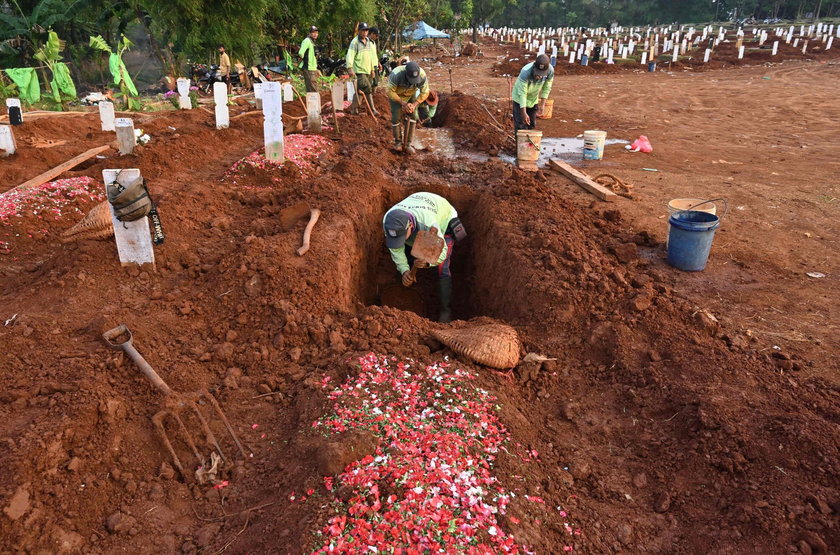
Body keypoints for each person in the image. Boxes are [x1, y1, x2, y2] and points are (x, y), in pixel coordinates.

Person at [382, 192, 466, 323]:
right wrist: (404, 271)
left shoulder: (429, 225)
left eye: (402, 237)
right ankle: (409, 281)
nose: (400, 240)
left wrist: (427, 263)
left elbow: (442, 253)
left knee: (441, 268)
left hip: (444, 216)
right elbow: (397, 250)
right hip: (418, 210)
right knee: (409, 256)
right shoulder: (389, 221)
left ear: (410, 225)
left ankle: (445, 310)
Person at [386, 61, 429, 154]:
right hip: (397, 96)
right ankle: (398, 143)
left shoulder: (422, 75)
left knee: (414, 116)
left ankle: (408, 144)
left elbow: (425, 92)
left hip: (411, 94)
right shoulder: (396, 74)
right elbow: (389, 91)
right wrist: (403, 103)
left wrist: (414, 104)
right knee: (396, 117)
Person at [345, 22, 381, 115]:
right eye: (363, 30)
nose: (365, 32)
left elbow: (372, 56)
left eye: (366, 30)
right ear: (359, 31)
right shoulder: (355, 42)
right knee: (367, 88)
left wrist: (373, 69)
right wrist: (349, 68)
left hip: (368, 70)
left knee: (360, 91)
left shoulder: (369, 42)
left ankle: (353, 109)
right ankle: (372, 110)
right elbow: (350, 55)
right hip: (359, 70)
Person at [511, 53, 553, 131]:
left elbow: (547, 88)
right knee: (520, 126)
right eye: (538, 74)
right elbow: (522, 94)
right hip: (519, 99)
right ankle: (519, 143)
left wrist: (543, 105)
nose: (539, 77)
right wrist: (523, 113)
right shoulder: (525, 72)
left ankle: (529, 143)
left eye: (542, 75)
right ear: (534, 67)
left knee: (532, 124)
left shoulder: (550, 71)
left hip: (533, 99)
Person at [299, 26, 320, 93]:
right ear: (310, 33)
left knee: (312, 87)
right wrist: (304, 59)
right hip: (308, 67)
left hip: (312, 67)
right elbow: (300, 53)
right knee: (313, 88)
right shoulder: (307, 41)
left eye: (316, 32)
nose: (315, 34)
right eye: (313, 32)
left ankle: (312, 102)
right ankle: (314, 103)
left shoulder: (312, 41)